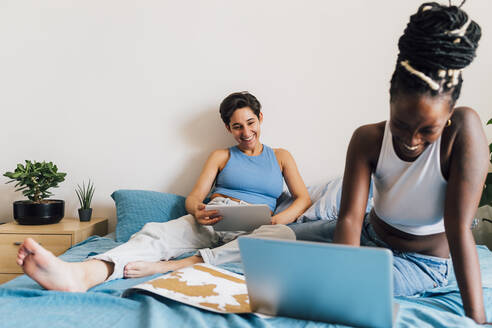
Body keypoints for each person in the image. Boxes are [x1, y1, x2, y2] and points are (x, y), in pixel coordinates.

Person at [291, 2, 489, 324]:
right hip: (369, 234)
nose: (411, 140)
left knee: (322, 285)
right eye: (401, 125)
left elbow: (458, 229)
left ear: (449, 114)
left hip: (420, 261)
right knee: (275, 241)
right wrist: (348, 265)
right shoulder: (366, 138)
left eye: (428, 130)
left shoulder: (464, 131)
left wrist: (476, 321)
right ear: (390, 100)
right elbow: (350, 219)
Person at [17, 91, 312, 292]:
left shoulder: (282, 156)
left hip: (259, 226)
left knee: (284, 237)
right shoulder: (221, 156)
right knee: (154, 233)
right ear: (228, 128)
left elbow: (303, 198)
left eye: (250, 123)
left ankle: (179, 264)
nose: (246, 132)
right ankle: (83, 274)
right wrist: (198, 209)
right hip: (214, 218)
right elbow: (194, 197)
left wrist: (279, 220)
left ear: (261, 118)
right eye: (237, 127)